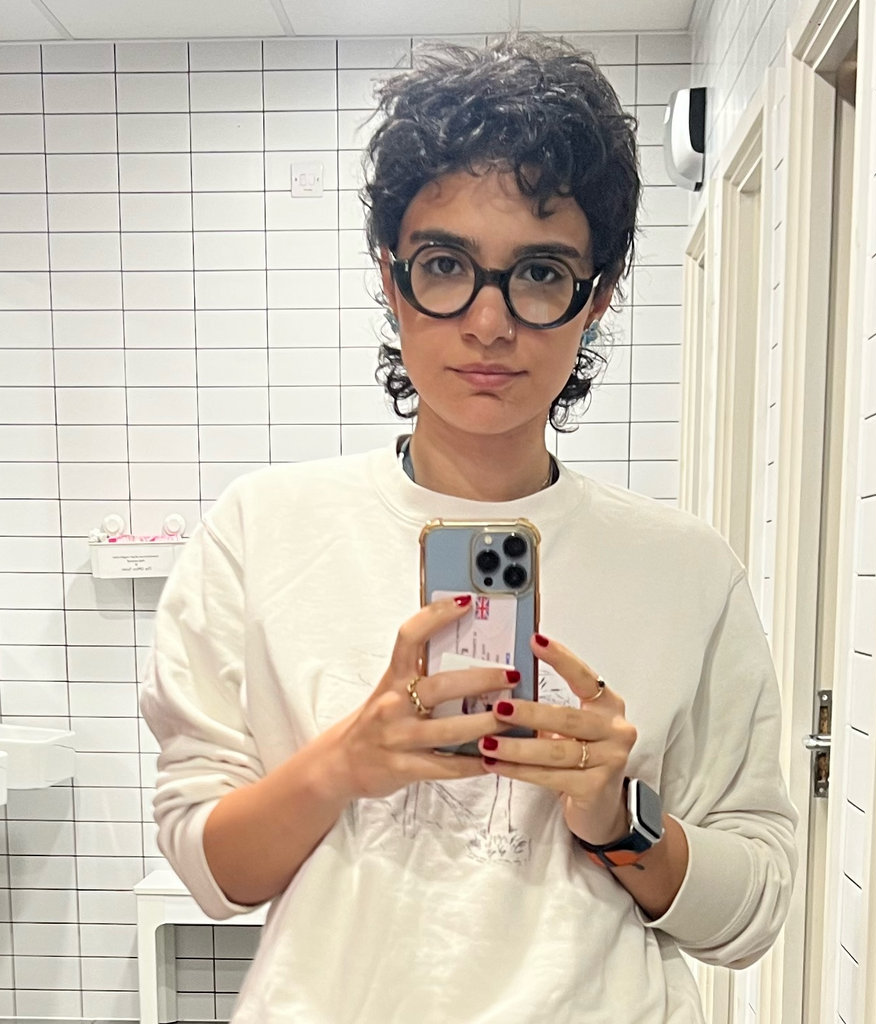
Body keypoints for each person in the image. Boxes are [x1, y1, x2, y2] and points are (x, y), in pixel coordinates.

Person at [140, 36, 797, 1023]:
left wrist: (615, 817)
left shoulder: (685, 571)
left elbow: (750, 913)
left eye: (540, 272)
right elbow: (211, 870)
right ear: (391, 276)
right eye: (445, 265)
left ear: (597, 297)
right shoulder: (261, 530)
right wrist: (342, 763)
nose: (489, 323)